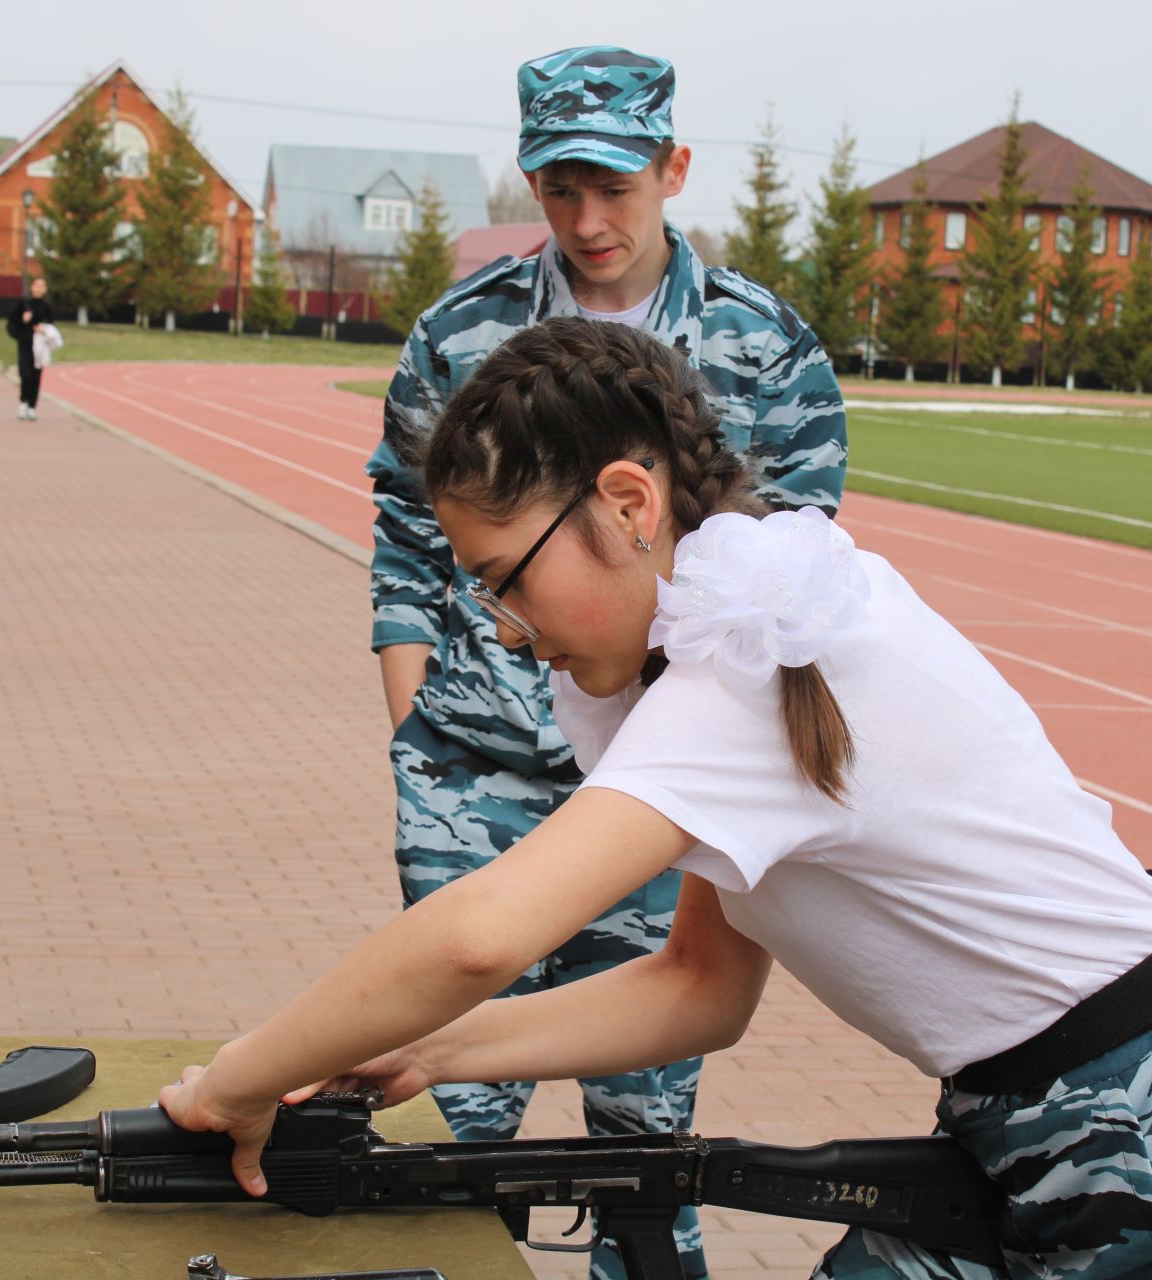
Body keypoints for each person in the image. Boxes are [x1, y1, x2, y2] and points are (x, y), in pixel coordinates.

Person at [163, 319, 1152, 1279]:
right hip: (1059, 1106)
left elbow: (480, 932)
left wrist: (236, 1079)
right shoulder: (748, 630)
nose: (505, 634)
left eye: (504, 581)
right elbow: (699, 986)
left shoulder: (743, 670)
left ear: (628, 504)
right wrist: (430, 1051)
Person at [364, 47, 847, 1280]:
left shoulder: (765, 348)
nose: (587, 221)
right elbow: (405, 533)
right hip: (475, 781)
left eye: (616, 188)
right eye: (560, 185)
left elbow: (795, 579)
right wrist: (416, 712)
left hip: (654, 785)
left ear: (673, 168)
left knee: (640, 1143)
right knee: (438, 1134)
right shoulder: (461, 333)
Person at [8, 277, 52, 419]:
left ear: (45, 290)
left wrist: (43, 329)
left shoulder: (46, 306)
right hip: (25, 343)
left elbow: (51, 325)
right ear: (32, 287)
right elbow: (11, 322)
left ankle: (32, 407)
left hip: (40, 347)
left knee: (36, 376)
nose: (39, 288)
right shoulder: (24, 304)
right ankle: (23, 402)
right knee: (25, 374)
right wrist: (23, 320)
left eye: (42, 286)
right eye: (37, 285)